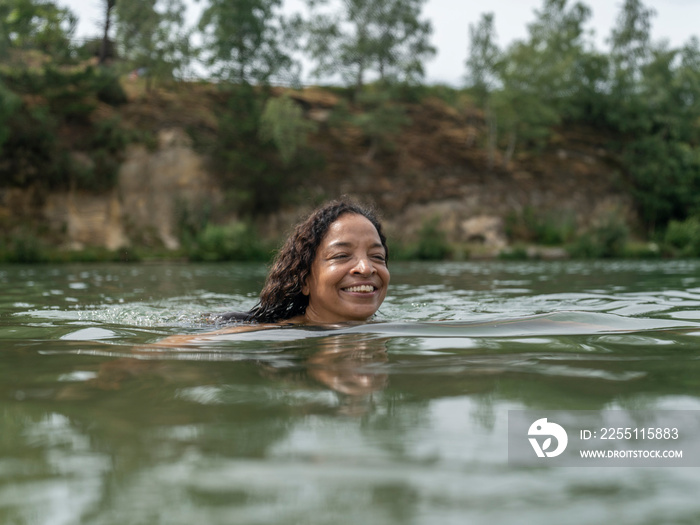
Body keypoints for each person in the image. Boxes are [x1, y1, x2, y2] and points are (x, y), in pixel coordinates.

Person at [157, 198, 390, 345]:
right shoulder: (261, 332)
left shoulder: (392, 329)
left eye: (377, 257)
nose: (366, 268)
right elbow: (170, 344)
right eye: (341, 256)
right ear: (305, 280)